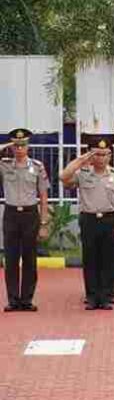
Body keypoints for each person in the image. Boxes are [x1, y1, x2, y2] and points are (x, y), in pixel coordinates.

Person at [60, 139, 114, 310]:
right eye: (97, 154)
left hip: (110, 219)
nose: (101, 158)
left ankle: (106, 296)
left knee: (109, 260)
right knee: (90, 259)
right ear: (91, 156)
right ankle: (92, 297)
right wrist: (81, 159)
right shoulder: (83, 173)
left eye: (104, 154)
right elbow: (63, 177)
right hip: (89, 219)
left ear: (110, 156)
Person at [0, 129, 49, 311]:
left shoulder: (37, 166)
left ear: (28, 146)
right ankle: (13, 300)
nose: (20, 148)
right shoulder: (4, 165)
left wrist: (44, 223)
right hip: (11, 214)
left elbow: (43, 196)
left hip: (30, 214)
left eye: (23, 145)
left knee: (30, 258)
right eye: (16, 145)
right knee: (11, 258)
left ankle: (27, 300)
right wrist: (7, 145)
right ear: (12, 147)